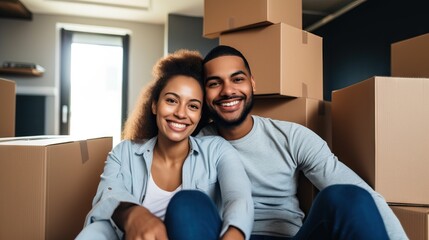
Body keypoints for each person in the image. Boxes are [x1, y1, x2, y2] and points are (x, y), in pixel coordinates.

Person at [199, 45, 408, 240]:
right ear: (203, 92)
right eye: (215, 83)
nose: (227, 91)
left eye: (237, 79)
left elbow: (362, 195)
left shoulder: (290, 136)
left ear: (252, 83)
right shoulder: (196, 145)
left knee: (348, 195)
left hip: (289, 236)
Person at [76, 49, 254, 240]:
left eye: (192, 106)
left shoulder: (217, 150)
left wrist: (234, 234)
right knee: (94, 232)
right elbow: (107, 195)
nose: (180, 113)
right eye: (171, 100)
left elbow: (238, 197)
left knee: (188, 203)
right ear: (154, 105)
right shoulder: (124, 152)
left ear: (200, 114)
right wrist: (132, 214)